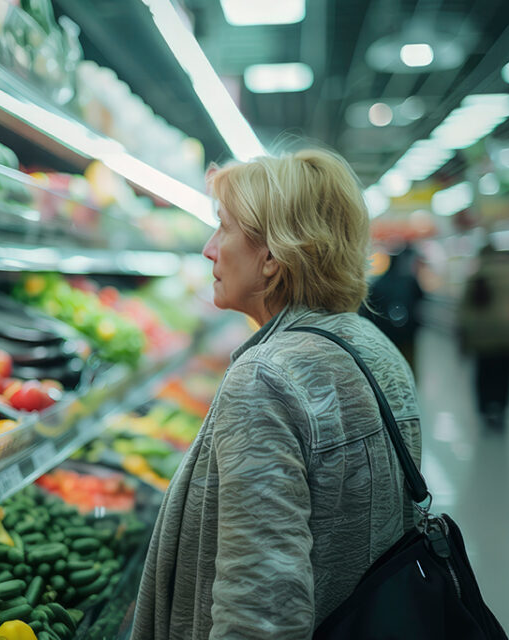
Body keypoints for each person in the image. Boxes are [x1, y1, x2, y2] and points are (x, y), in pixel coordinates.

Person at [132, 149, 422, 639]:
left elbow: (261, 612)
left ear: (271, 256)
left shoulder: (265, 378)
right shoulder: (379, 351)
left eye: (223, 227)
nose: (209, 248)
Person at [457, 244, 509, 429]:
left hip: (483, 337)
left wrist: (463, 336)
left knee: (484, 374)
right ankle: (502, 409)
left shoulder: (476, 278)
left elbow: (464, 311)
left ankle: (486, 410)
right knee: (505, 375)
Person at [361, 247, 424, 375]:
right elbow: (421, 298)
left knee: (390, 366)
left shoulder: (379, 283)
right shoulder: (409, 281)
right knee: (408, 364)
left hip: (387, 334)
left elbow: (371, 310)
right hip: (407, 334)